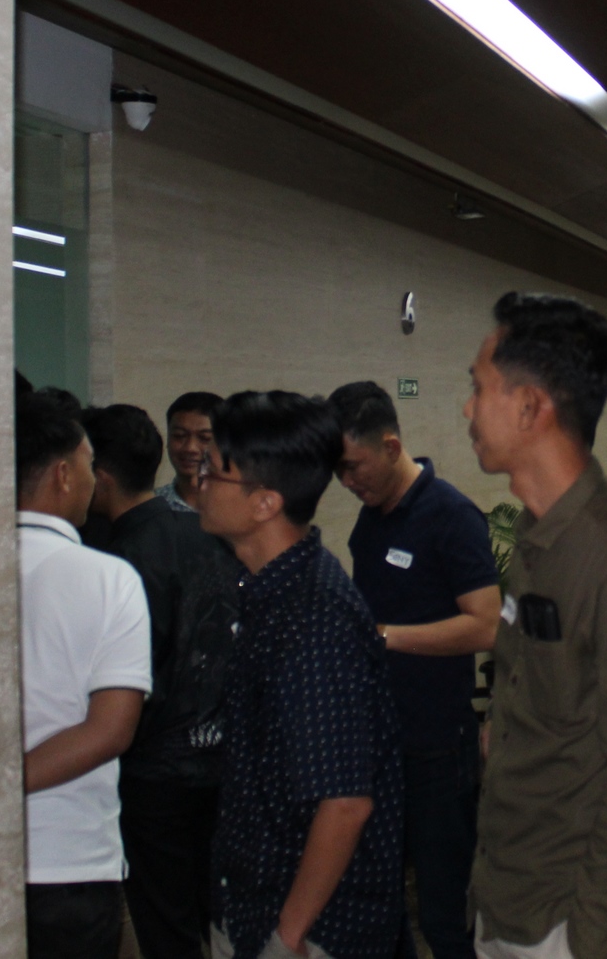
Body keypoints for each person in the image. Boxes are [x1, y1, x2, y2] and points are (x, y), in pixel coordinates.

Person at [465, 291, 607, 959]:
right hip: (516, 895)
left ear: (530, 406)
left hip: (591, 918)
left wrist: (588, 937)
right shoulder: (536, 536)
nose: (468, 409)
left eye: (478, 388)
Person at [197, 390, 405, 959]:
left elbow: (344, 803)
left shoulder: (314, 619)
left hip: (309, 931)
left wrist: (286, 938)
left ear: (265, 502)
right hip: (253, 906)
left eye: (212, 471)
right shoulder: (269, 589)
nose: (198, 483)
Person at [326, 380, 500, 959]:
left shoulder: (451, 515)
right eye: (338, 471)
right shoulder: (370, 520)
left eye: (354, 467)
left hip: (437, 747)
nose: (348, 482)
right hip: (381, 742)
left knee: (445, 914)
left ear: (392, 446)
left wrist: (385, 636)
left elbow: (486, 625)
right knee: (381, 904)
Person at [83, 403, 245, 959]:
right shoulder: (205, 534)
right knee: (215, 915)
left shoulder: (118, 560)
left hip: (154, 773)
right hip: (219, 758)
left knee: (166, 925)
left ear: (100, 477)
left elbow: (135, 678)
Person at [16, 392, 154, 959]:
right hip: (70, 860)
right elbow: (110, 730)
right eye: (89, 463)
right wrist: (6, 787)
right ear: (63, 475)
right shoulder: (108, 579)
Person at [158, 391, 225, 514]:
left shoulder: (247, 509)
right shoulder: (152, 508)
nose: (190, 448)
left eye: (205, 438)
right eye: (179, 436)